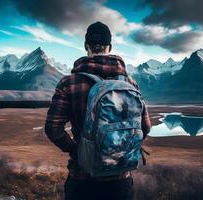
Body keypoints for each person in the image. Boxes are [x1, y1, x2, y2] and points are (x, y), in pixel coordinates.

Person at [45, 21, 151, 200]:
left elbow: (53, 128)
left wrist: (78, 151)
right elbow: (145, 127)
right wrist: (122, 147)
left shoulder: (69, 83)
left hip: (83, 178)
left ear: (86, 46)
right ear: (110, 47)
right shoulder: (130, 83)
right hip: (120, 179)